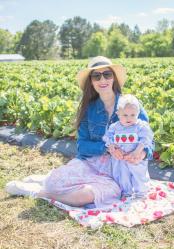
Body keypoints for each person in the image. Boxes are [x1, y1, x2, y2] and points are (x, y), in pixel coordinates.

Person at [5, 56, 154, 208]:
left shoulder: (131, 105)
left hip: (118, 173)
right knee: (53, 182)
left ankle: (38, 193)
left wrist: (141, 153)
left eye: (107, 74)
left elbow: (148, 139)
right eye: (96, 76)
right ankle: (45, 181)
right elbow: (82, 146)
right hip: (91, 163)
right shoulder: (89, 108)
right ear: (91, 81)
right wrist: (106, 148)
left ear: (114, 78)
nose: (102, 80)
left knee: (86, 194)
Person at [103, 94, 154, 198]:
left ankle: (141, 192)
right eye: (125, 115)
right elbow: (108, 137)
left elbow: (146, 138)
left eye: (133, 115)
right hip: (120, 158)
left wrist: (138, 151)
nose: (129, 118)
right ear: (118, 114)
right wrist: (112, 145)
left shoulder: (140, 126)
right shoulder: (114, 127)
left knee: (138, 174)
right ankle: (126, 192)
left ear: (138, 113)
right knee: (122, 175)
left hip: (135, 156)